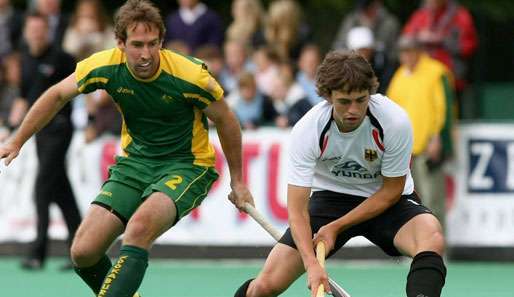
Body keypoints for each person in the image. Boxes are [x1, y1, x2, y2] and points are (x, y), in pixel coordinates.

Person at [0, 1, 253, 296]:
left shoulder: (191, 76)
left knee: (138, 230)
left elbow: (227, 120)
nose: (145, 54)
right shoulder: (105, 65)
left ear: (162, 40)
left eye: (152, 44)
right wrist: (18, 139)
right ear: (119, 43)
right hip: (135, 164)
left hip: (187, 166)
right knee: (83, 251)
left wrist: (238, 180)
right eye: (136, 45)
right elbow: (57, 95)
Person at [233, 51, 446, 297]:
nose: (353, 110)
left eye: (361, 100)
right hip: (330, 199)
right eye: (344, 101)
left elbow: (392, 190)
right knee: (262, 288)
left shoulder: (394, 121)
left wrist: (336, 227)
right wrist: (312, 265)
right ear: (328, 96)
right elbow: (297, 211)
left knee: (432, 237)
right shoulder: (309, 130)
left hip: (385, 200)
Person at [6, 12, 82, 270]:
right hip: (39, 132)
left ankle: (38, 253)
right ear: (27, 32)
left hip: (59, 130)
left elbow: (80, 91)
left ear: (48, 31)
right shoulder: (25, 59)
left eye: (41, 29)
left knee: (42, 188)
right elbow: (23, 98)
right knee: (62, 191)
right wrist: (10, 128)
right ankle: (81, 248)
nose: (36, 34)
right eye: (32, 30)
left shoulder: (63, 59)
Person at [387, 36, 455, 230]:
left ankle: (438, 248)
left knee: (433, 200)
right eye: (402, 52)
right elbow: (391, 109)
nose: (405, 56)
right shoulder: (400, 75)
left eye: (409, 51)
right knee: (410, 202)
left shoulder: (435, 72)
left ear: (419, 51)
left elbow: (443, 108)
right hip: (405, 149)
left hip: (427, 146)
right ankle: (416, 246)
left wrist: (437, 138)